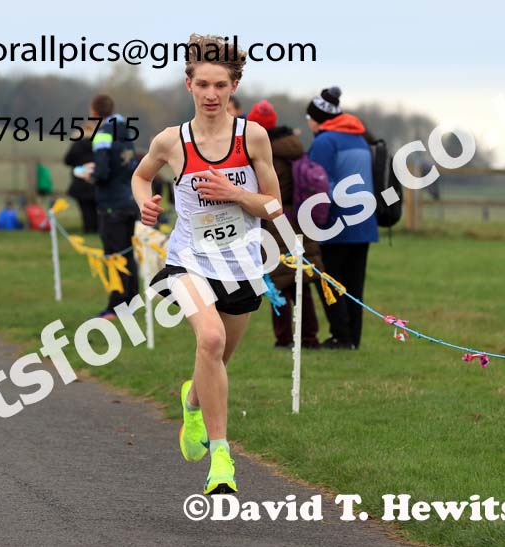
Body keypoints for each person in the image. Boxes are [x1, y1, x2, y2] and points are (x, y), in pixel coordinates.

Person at [132, 33, 282, 495]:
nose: (212, 95)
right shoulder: (170, 141)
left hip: (240, 265)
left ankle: (193, 401)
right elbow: (140, 177)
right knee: (210, 338)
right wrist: (146, 204)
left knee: (216, 357)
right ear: (188, 85)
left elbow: (275, 206)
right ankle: (222, 462)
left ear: (234, 85)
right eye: (203, 85)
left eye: (221, 85)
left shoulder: (252, 137)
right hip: (188, 260)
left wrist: (237, 194)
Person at [248, 100, 325, 349]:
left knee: (278, 281)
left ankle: (283, 337)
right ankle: (309, 336)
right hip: (300, 220)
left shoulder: (265, 153)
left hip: (277, 221)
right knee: (300, 281)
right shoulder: (294, 148)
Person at [306, 86, 378, 350]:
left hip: (336, 225)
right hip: (365, 223)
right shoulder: (359, 138)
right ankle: (352, 339)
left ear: (318, 118)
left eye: (309, 118)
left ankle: (340, 336)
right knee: (354, 286)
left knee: (330, 282)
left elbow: (318, 185)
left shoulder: (325, 142)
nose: (309, 124)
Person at [84, 94, 140, 319]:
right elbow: (128, 164)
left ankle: (116, 308)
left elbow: (103, 172)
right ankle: (132, 303)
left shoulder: (102, 134)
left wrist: (91, 174)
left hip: (111, 205)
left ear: (95, 112)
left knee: (114, 257)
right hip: (129, 199)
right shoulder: (125, 130)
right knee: (128, 255)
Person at [63, 122, 98, 234]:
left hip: (80, 181)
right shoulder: (98, 144)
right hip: (95, 180)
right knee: (95, 207)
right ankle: (96, 229)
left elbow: (67, 160)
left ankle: (87, 229)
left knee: (85, 208)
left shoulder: (77, 144)